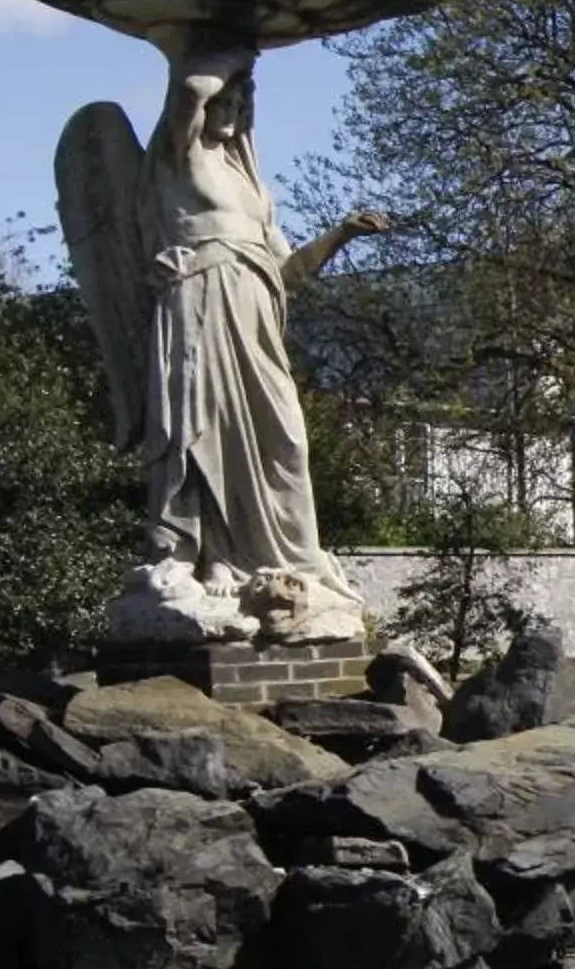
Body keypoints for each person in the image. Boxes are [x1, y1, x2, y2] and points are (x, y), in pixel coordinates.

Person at [113, 33, 386, 640]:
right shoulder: (177, 159)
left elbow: (287, 272)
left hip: (255, 317)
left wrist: (340, 234)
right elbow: (188, 90)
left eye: (241, 104)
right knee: (203, 429)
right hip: (198, 307)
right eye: (226, 103)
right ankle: (210, 554)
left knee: (284, 438)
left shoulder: (255, 191)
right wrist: (242, 46)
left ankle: (288, 557)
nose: (231, 112)